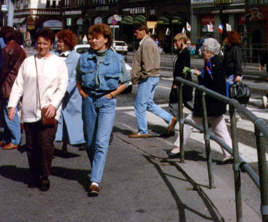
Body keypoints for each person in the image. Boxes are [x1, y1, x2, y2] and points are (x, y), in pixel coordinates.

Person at [8, 28, 68, 191]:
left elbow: (62, 87)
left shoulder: (58, 63)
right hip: (29, 110)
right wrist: (12, 105)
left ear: (51, 44)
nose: (41, 46)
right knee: (31, 146)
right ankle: (34, 174)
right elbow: (19, 85)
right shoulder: (28, 62)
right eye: (39, 43)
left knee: (46, 144)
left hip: (48, 112)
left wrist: (53, 104)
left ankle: (44, 175)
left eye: (45, 43)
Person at [76, 23, 130, 196]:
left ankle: (95, 181)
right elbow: (78, 77)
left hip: (107, 102)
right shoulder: (84, 58)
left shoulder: (117, 59)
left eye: (96, 38)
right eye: (91, 38)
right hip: (89, 100)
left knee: (101, 142)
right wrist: (82, 93)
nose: (92, 41)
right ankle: (96, 170)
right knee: (90, 142)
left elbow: (127, 82)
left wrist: (111, 95)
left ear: (106, 40)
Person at [168, 38, 233, 164]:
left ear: (210, 51)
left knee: (189, 121)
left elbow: (212, 84)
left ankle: (178, 147)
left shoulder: (212, 64)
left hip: (209, 105)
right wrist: (200, 74)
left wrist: (201, 77)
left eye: (204, 50)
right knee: (221, 130)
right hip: (216, 105)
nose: (201, 52)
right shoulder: (213, 62)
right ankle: (230, 154)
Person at [130, 23, 177, 139]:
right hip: (153, 77)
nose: (135, 35)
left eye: (136, 32)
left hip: (148, 78)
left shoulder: (146, 44)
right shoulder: (149, 42)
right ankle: (170, 119)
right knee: (148, 103)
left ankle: (142, 131)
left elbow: (148, 64)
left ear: (143, 31)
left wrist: (140, 75)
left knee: (139, 105)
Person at [55, 29, 85, 155]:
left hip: (70, 95)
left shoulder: (77, 57)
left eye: (61, 42)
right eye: (58, 41)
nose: (59, 44)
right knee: (56, 119)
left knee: (70, 120)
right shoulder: (53, 55)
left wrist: (65, 90)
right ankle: (56, 142)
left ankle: (69, 143)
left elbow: (75, 76)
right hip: (54, 92)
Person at [0, 28, 26, 149]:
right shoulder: (20, 49)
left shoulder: (6, 49)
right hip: (17, 83)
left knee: (10, 111)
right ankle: (6, 138)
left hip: (8, 84)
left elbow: (2, 70)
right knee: (8, 112)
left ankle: (15, 140)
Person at [169, 33, 193, 117]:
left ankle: (204, 119)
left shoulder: (185, 53)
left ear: (182, 41)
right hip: (182, 84)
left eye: (176, 42)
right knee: (186, 102)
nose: (174, 44)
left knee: (175, 103)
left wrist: (176, 83)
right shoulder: (182, 52)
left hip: (182, 84)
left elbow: (183, 70)